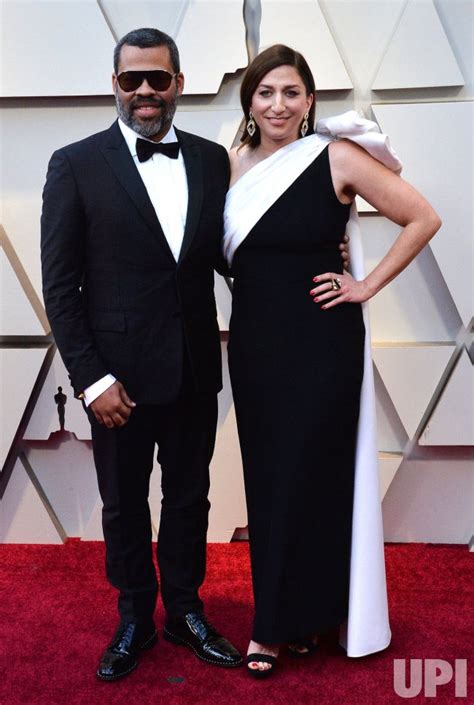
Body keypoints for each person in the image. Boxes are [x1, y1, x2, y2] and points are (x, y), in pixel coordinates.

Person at [223, 44, 441, 678]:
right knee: (268, 481)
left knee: (314, 478)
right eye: (265, 93)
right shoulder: (231, 166)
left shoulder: (336, 156)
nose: (278, 105)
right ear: (250, 102)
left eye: (291, 92)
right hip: (257, 344)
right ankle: (287, 616)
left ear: (311, 100)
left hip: (322, 342)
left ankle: (281, 628)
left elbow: (421, 217)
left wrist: (365, 285)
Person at [41, 27, 244, 681]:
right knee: (124, 503)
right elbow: (60, 286)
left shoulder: (214, 161)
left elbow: (228, 254)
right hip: (117, 380)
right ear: (116, 86)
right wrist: (90, 377)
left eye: (159, 78)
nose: (147, 91)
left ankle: (184, 612)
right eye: (134, 80)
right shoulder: (75, 164)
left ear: (179, 84)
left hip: (192, 370)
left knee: (190, 498)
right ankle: (135, 616)